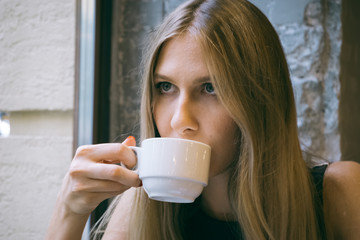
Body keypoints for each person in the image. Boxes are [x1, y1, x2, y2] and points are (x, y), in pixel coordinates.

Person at [46, 0, 360, 239]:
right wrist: (68, 212)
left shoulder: (339, 193)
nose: (180, 120)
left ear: (261, 99)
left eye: (210, 88)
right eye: (165, 87)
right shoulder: (139, 210)